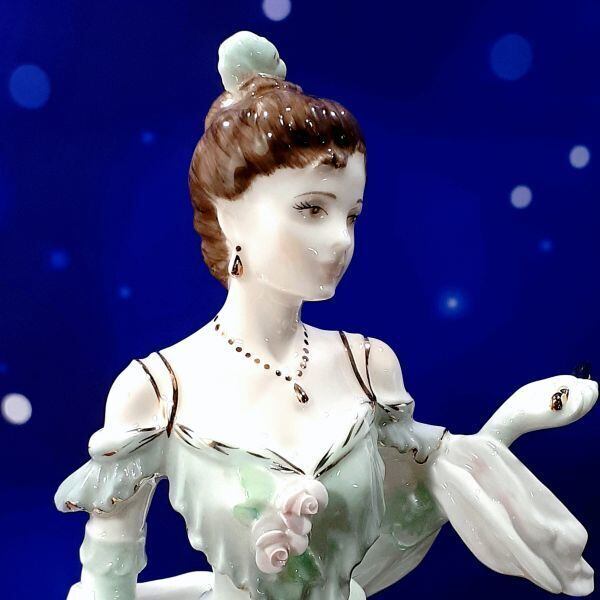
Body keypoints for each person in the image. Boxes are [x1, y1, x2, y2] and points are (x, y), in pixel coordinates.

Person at [55, 31, 598, 600]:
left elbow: (405, 528)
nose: (341, 239)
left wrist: (510, 423)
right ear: (229, 216)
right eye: (312, 208)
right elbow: (107, 587)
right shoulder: (157, 392)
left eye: (352, 215)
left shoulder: (368, 368)